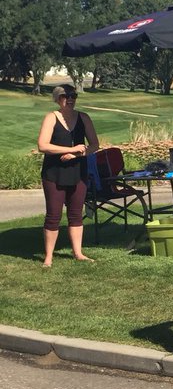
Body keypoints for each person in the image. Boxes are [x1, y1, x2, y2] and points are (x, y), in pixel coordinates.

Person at [37, 84, 100, 267]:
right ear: (58, 99)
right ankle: (48, 257)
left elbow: (94, 145)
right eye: (66, 96)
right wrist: (70, 148)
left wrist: (78, 154)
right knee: (53, 215)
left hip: (78, 172)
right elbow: (43, 145)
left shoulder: (84, 118)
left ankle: (78, 253)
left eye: (73, 96)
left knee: (75, 214)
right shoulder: (51, 118)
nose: (70, 99)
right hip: (54, 173)